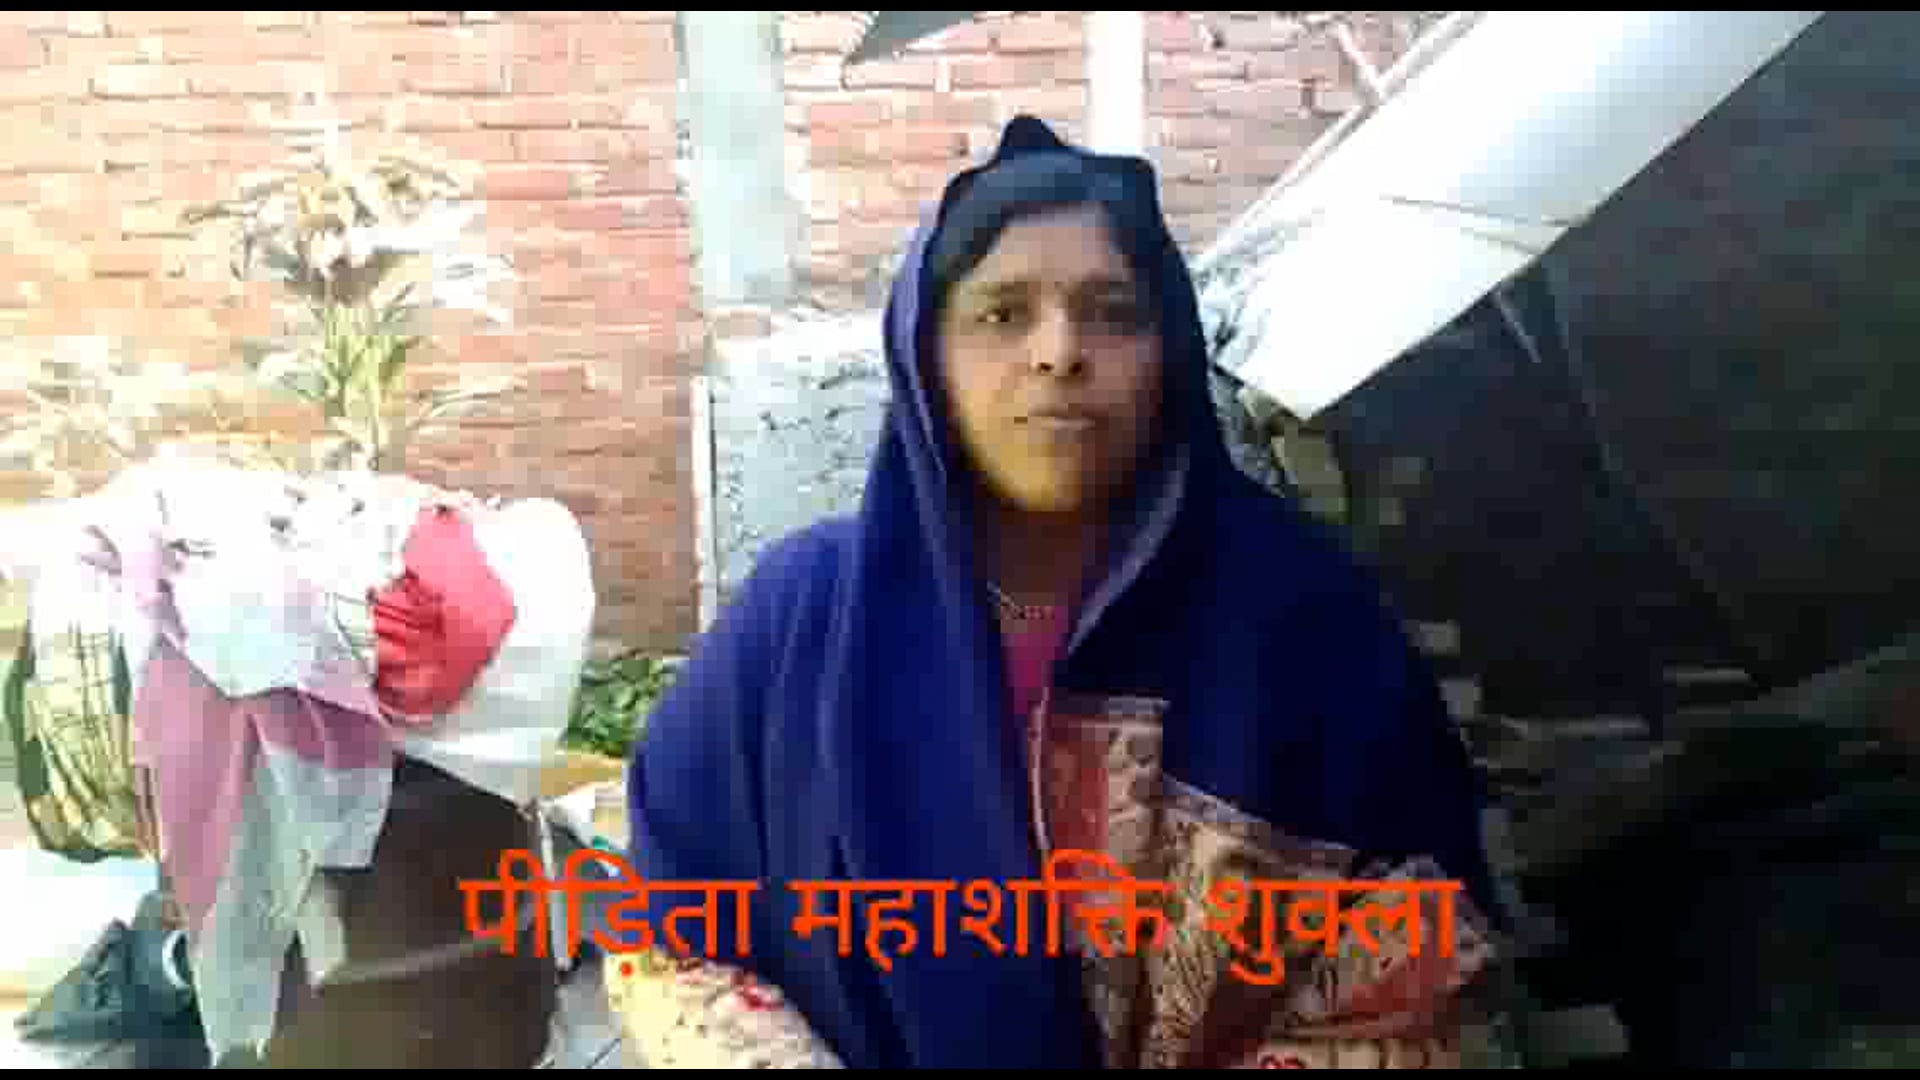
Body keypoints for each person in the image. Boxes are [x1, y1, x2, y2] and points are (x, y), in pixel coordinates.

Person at [605, 114, 1501, 1069]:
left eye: (1113, 312)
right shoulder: (801, 621)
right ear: (926, 357)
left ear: (1169, 351)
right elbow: (666, 935)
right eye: (1002, 314)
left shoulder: (1307, 620)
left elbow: (1420, 967)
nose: (1060, 352)